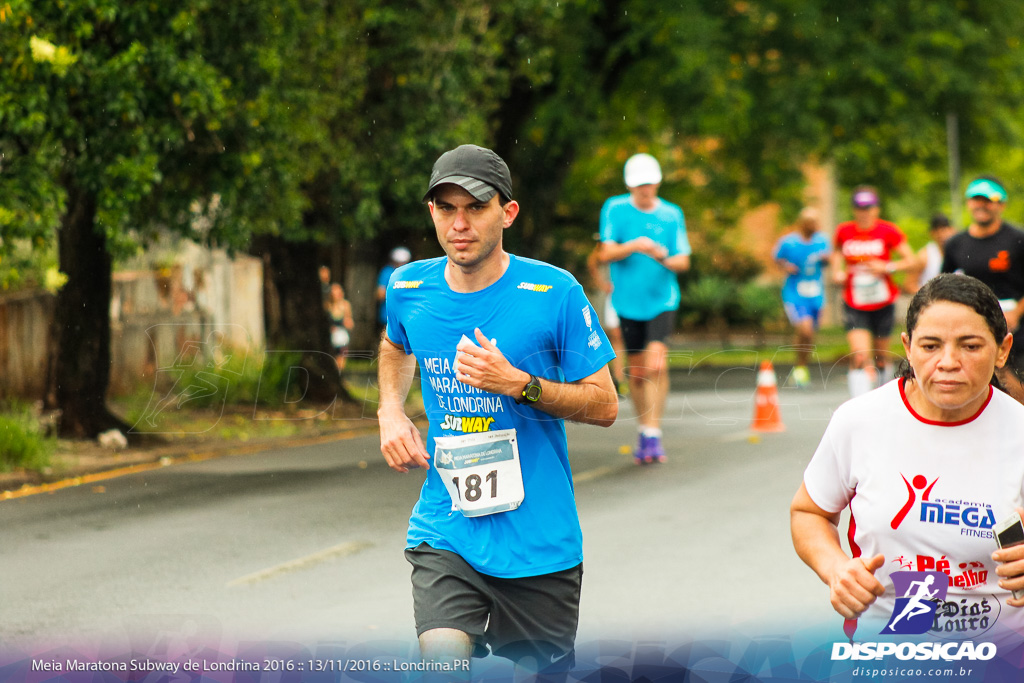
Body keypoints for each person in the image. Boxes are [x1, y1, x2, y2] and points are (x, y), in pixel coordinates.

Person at [377, 144, 618, 679]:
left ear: (507, 213)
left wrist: (521, 385)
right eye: (446, 208)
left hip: (539, 542)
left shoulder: (553, 293)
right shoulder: (409, 287)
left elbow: (605, 405)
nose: (459, 224)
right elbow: (395, 346)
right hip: (447, 528)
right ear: (432, 213)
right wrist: (391, 412)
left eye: (475, 207)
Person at [791, 273, 1024, 643]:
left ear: (1003, 350)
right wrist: (836, 569)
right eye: (930, 346)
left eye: (970, 346)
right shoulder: (859, 421)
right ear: (907, 346)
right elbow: (809, 513)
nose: (948, 362)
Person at [599, 152, 691, 464]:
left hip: (662, 300)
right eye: (639, 185)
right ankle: (644, 429)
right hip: (627, 303)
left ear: (657, 183)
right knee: (637, 374)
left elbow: (683, 260)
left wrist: (662, 256)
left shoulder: (671, 214)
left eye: (649, 184)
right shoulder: (615, 208)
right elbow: (605, 252)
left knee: (656, 364)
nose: (645, 190)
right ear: (630, 186)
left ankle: (653, 434)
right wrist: (635, 245)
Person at [941, 176, 1024, 403]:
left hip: (1017, 324)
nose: (982, 205)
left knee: (1013, 385)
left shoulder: (1018, 239)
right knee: (981, 385)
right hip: (974, 324)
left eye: (988, 200)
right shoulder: (955, 244)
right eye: (976, 200)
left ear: (1001, 204)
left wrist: (1016, 312)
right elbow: (944, 286)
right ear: (969, 203)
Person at [829, 186, 918, 397]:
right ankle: (857, 405)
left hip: (882, 301)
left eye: (868, 207)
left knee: (881, 357)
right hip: (855, 301)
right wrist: (836, 271)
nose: (864, 212)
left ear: (876, 209)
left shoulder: (888, 231)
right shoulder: (844, 231)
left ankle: (882, 398)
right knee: (860, 356)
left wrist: (887, 267)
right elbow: (835, 254)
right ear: (854, 210)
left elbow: (911, 261)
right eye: (860, 208)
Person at [773, 207, 830, 388]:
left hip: (815, 293)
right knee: (804, 329)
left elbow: (829, 260)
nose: (815, 226)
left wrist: (826, 259)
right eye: (811, 222)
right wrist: (786, 266)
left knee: (811, 333)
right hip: (795, 293)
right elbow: (776, 258)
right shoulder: (789, 242)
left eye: (816, 222)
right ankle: (799, 367)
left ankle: (803, 366)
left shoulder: (822, 241)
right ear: (803, 224)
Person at [585, 240, 628, 394]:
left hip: (622, 297)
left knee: (617, 336)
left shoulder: (626, 246)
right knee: (603, 336)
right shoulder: (604, 250)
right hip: (608, 299)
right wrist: (601, 283)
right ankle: (609, 379)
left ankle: (619, 379)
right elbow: (594, 261)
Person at [904, 213, 955, 294]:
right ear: (932, 233)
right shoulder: (924, 256)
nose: (942, 235)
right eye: (938, 232)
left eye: (945, 230)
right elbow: (910, 285)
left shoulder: (962, 251)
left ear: (953, 230)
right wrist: (930, 296)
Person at [377, 246, 411, 331]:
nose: (401, 265)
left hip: (407, 317)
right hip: (388, 317)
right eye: (399, 262)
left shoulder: (411, 272)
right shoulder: (387, 272)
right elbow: (380, 294)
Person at [325, 282, 354, 371]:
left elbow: (350, 323)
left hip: (341, 336)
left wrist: (346, 323)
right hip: (331, 337)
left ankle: (340, 373)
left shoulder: (345, 305)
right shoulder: (328, 306)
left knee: (341, 356)